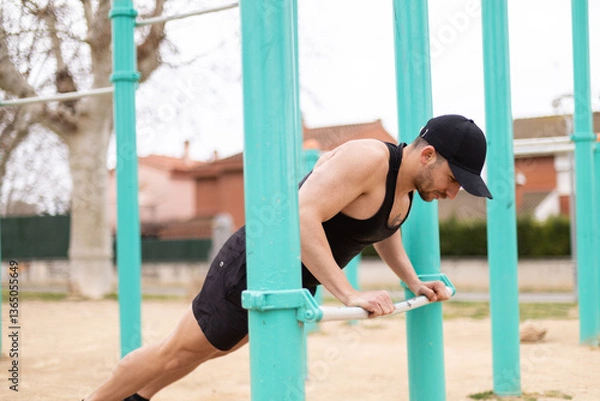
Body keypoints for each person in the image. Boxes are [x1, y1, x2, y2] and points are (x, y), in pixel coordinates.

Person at [84, 114, 492, 401]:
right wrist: (349, 294)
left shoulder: (404, 191)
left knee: (210, 349)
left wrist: (414, 282)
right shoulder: (367, 158)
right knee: (177, 348)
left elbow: (384, 233)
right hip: (257, 263)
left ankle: (137, 397)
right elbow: (301, 215)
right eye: (453, 180)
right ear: (427, 155)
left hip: (293, 276)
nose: (453, 193)